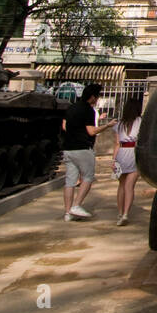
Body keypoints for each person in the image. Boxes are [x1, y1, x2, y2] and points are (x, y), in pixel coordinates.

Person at [61, 84, 114, 221]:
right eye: (97, 97)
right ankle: (76, 205)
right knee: (88, 177)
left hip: (68, 148)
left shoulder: (71, 107)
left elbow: (64, 126)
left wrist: (74, 132)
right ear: (92, 97)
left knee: (70, 181)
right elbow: (91, 131)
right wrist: (107, 125)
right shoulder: (88, 110)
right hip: (83, 148)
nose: (97, 100)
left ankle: (68, 212)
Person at [111, 96, 142, 226]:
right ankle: (125, 214)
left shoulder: (119, 124)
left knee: (121, 186)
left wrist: (113, 159)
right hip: (133, 153)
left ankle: (120, 212)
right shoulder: (141, 121)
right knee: (130, 186)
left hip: (121, 154)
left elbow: (117, 143)